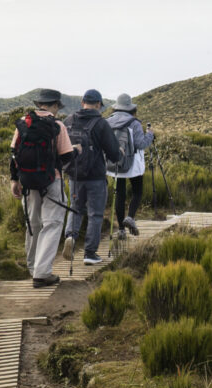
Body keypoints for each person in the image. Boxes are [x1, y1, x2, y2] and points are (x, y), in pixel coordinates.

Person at [12, 89, 77, 288]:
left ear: (39, 104)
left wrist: (14, 180)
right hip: (51, 181)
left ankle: (32, 268)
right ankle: (42, 273)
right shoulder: (57, 126)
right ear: (55, 105)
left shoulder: (23, 123)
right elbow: (66, 157)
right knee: (53, 223)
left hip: (28, 182)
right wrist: (76, 150)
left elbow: (14, 154)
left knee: (33, 224)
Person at [63, 90, 122, 266]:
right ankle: (90, 253)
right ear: (98, 104)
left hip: (74, 175)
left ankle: (70, 237)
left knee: (75, 209)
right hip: (95, 176)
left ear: (82, 102)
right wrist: (119, 153)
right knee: (95, 214)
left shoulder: (68, 121)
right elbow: (113, 153)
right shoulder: (101, 124)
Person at [105, 93, 153, 239]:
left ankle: (120, 229)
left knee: (120, 194)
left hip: (115, 163)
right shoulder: (134, 123)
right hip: (133, 165)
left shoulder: (108, 122)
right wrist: (150, 135)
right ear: (130, 108)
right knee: (137, 191)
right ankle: (130, 217)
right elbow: (140, 144)